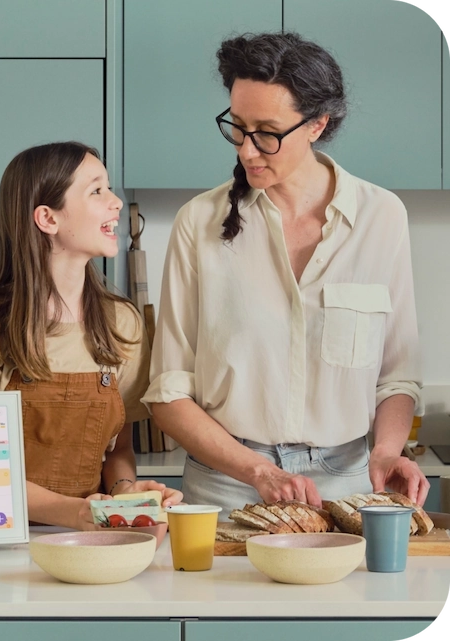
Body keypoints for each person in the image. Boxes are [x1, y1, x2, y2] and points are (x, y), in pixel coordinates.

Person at [142, 32, 429, 517]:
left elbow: (396, 377)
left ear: (318, 124)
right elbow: (169, 392)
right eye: (237, 127)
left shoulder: (382, 216)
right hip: (225, 484)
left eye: (267, 132)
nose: (248, 151)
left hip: (349, 486)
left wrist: (386, 451)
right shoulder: (199, 222)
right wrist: (258, 471)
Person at [0, 141, 182, 530]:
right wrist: (76, 512)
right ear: (47, 219)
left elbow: (119, 445)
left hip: (90, 536)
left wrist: (125, 493)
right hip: (0, 537)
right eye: (97, 190)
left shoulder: (122, 323)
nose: (117, 202)